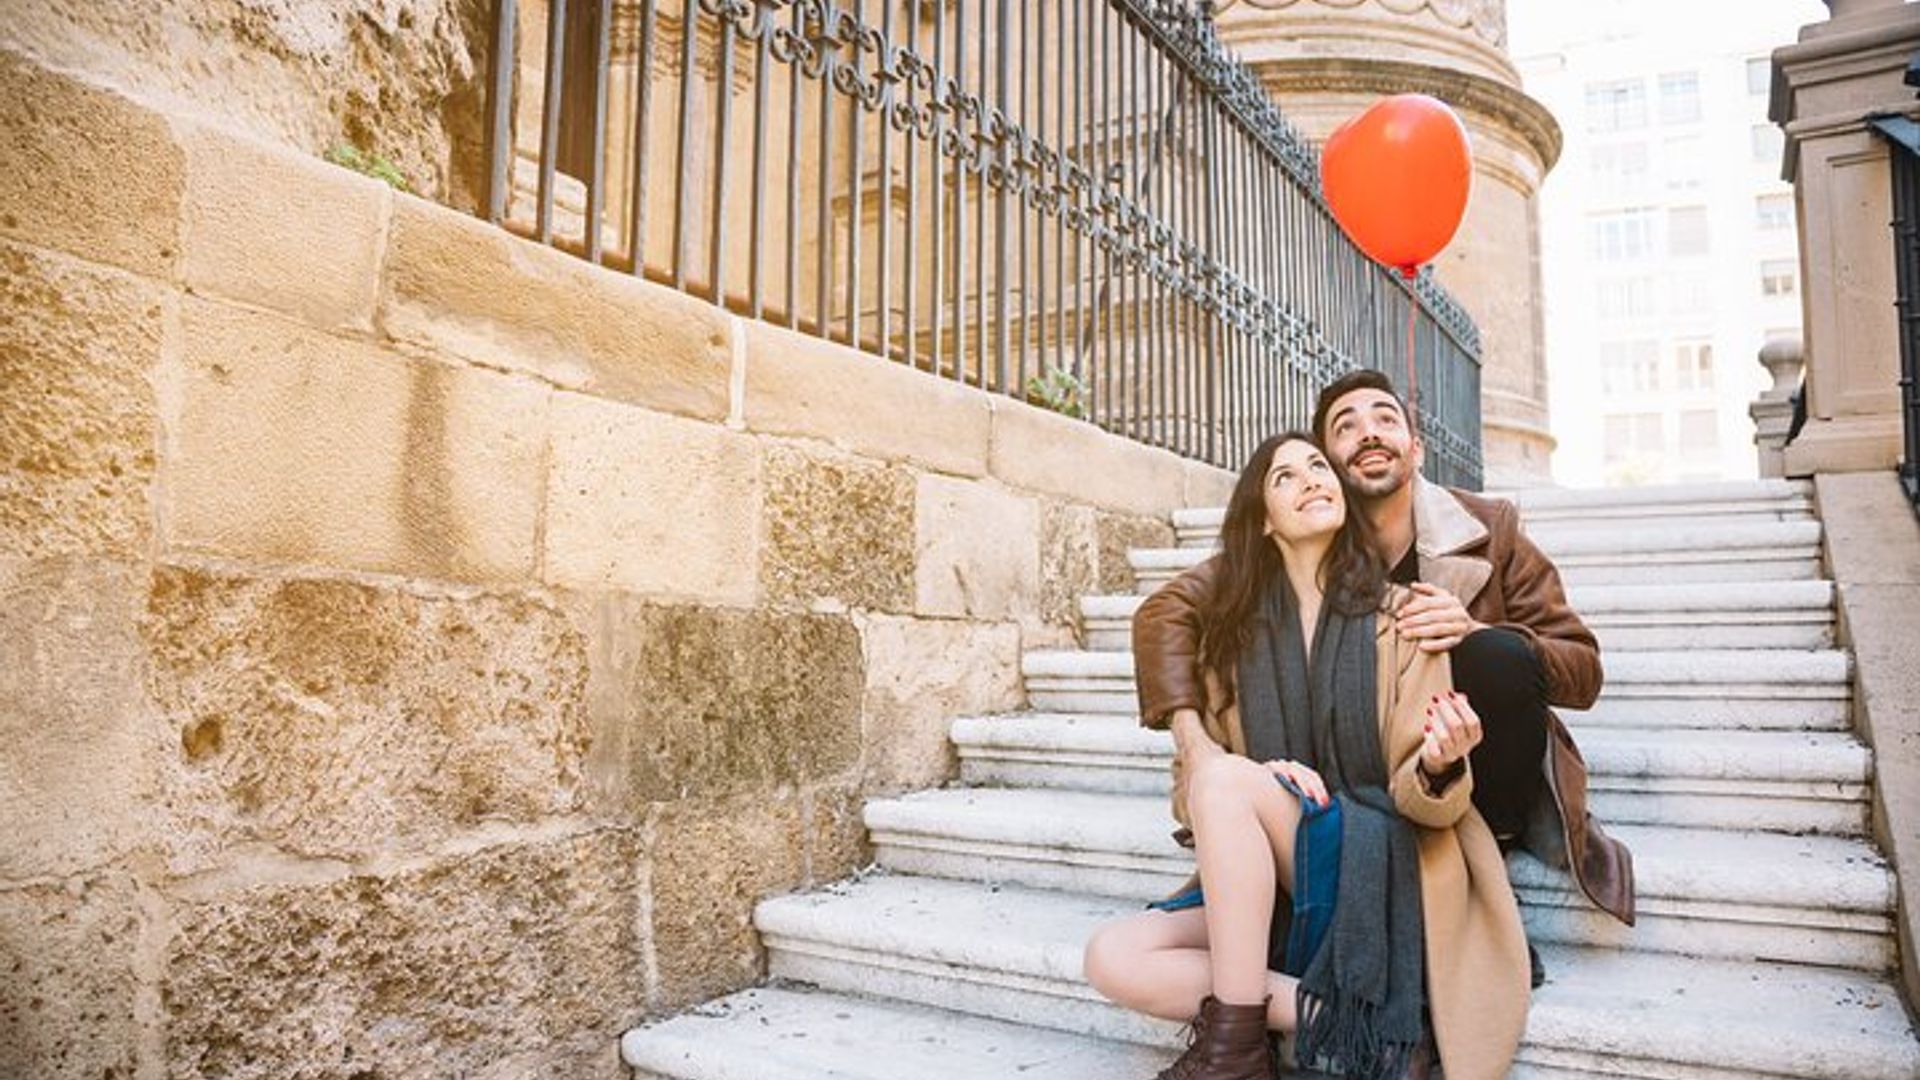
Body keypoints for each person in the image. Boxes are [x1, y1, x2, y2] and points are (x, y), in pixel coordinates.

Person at [1082, 433, 1530, 1080]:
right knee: (1112, 956)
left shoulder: (1401, 616)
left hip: (1383, 856)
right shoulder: (1231, 640)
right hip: (1276, 874)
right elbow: (1195, 796)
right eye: (1285, 477)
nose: (1312, 480)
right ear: (1264, 520)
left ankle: (1234, 1055)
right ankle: (1352, 1019)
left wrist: (1440, 762)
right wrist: (1255, 783)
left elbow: (1424, 801)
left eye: (1319, 467)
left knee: (1228, 784)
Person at [1133, 370, 1635, 945]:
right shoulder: (1305, 537)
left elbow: (1582, 669)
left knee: (1494, 653)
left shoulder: (1489, 529)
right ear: (1327, 460)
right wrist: (1194, 742)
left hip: (1466, 764)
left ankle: (1485, 850)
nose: (1369, 434)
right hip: (1361, 778)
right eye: (1346, 428)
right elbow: (1164, 612)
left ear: (1416, 448)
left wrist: (1473, 626)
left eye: (1385, 419)